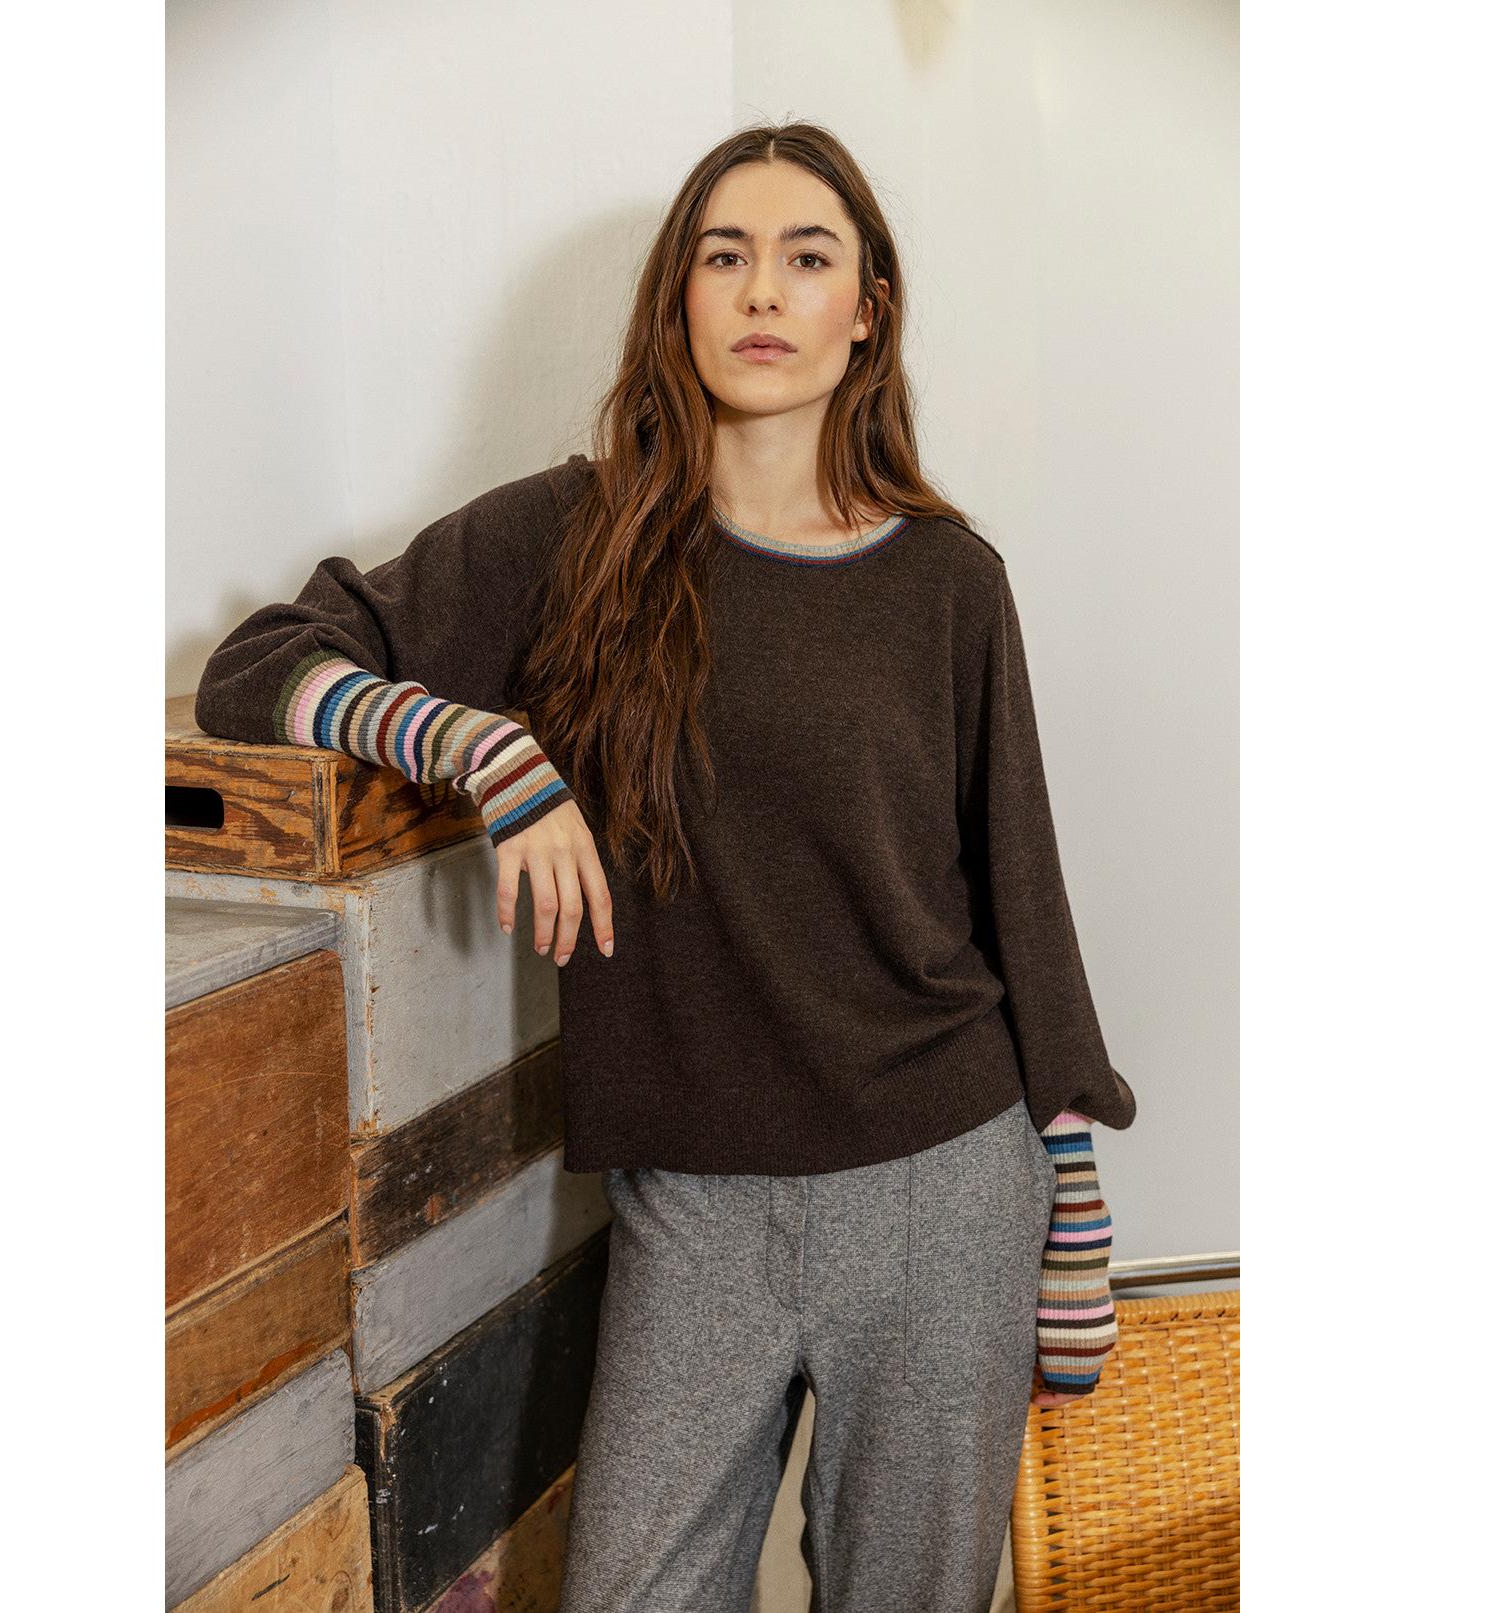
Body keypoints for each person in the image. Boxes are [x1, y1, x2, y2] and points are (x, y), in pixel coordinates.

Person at [193, 120, 1137, 1613]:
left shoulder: (950, 580)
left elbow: (1017, 882)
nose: (762, 290)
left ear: (866, 309)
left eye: (807, 257)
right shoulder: (578, 536)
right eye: (724, 254)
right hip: (692, 1205)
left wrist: (1071, 1193)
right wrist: (484, 751)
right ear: (677, 298)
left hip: (944, 1186)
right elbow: (259, 668)